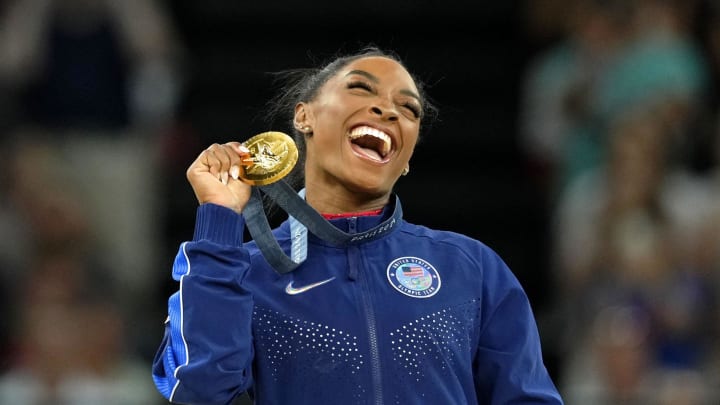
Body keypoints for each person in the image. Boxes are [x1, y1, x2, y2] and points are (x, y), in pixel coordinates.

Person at [151, 46, 563, 404]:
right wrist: (219, 219)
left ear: (407, 158)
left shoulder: (471, 268)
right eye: (361, 88)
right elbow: (199, 388)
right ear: (304, 117)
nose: (388, 109)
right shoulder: (247, 272)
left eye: (409, 109)